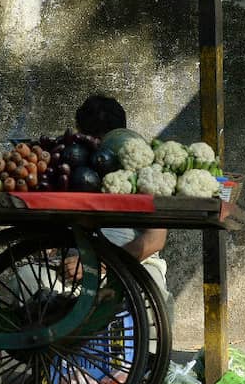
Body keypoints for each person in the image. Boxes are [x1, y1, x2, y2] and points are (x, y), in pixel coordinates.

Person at [68, 94, 174, 325]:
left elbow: (154, 240)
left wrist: (100, 264)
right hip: (79, 263)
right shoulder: (75, 167)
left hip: (133, 262)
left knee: (151, 299)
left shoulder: (147, 173)